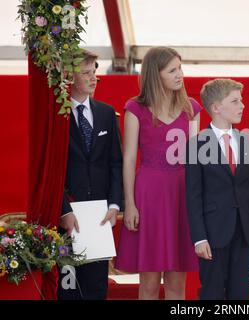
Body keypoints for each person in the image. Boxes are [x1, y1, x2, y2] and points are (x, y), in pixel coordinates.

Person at [115, 47, 200, 300]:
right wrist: (129, 204)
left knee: (177, 283)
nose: (180, 74)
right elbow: (129, 159)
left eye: (180, 68)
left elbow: (196, 161)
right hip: (149, 196)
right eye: (172, 70)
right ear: (155, 74)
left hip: (182, 196)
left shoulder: (191, 108)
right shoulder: (135, 109)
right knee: (149, 284)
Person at [185, 79, 249, 300]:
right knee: (211, 293)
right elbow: (193, 196)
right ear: (216, 108)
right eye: (235, 101)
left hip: (245, 233)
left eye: (241, 100)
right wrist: (199, 238)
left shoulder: (247, 141)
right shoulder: (196, 144)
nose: (242, 106)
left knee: (240, 294)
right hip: (212, 234)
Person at [58, 50, 123, 300]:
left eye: (94, 71)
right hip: (67, 217)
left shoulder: (107, 113)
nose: (93, 78)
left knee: (96, 288)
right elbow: (54, 168)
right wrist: (64, 210)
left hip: (99, 218)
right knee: (68, 287)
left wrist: (115, 204)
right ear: (69, 76)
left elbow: (115, 163)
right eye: (86, 73)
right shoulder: (57, 115)